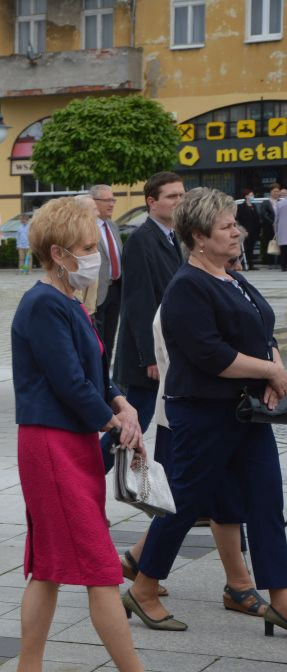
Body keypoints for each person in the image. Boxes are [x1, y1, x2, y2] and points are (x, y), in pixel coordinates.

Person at [125, 187, 287, 636]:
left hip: (246, 414)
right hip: (203, 415)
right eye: (226, 226)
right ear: (198, 237)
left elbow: (261, 327)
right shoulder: (187, 287)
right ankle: (143, 587)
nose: (237, 231)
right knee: (183, 506)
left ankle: (281, 596)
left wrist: (274, 367)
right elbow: (214, 356)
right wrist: (273, 372)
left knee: (268, 501)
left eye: (235, 223)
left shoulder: (231, 276)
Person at [10, 196, 147, 672]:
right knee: (102, 570)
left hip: (68, 443)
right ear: (58, 252)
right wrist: (114, 422)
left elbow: (92, 372)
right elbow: (68, 381)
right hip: (53, 444)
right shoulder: (45, 302)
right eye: (86, 247)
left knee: (48, 568)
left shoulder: (66, 299)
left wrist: (120, 402)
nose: (95, 256)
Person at [111, 171, 184, 447]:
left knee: (145, 424)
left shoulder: (170, 236)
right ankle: (90, 469)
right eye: (172, 196)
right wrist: (150, 356)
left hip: (164, 350)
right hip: (147, 357)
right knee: (131, 426)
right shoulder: (142, 239)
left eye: (182, 194)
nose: (180, 201)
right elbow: (139, 303)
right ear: (151, 202)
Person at [88, 185, 123, 357]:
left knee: (110, 339)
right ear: (94, 202)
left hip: (115, 289)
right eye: (107, 200)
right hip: (97, 292)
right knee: (97, 340)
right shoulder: (88, 227)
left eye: (113, 200)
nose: (112, 204)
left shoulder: (113, 226)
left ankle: (106, 379)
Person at [237, 189, 261, 270]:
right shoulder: (241, 206)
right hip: (245, 231)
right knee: (245, 248)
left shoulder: (254, 206)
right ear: (246, 196)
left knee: (251, 248)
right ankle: (244, 263)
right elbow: (238, 219)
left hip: (254, 231)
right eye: (251, 195)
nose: (252, 196)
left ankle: (251, 264)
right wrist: (242, 229)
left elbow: (257, 219)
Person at [274, 192, 287, 272]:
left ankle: (283, 266)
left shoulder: (279, 204)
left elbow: (276, 218)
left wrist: (276, 231)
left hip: (282, 228)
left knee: (283, 250)